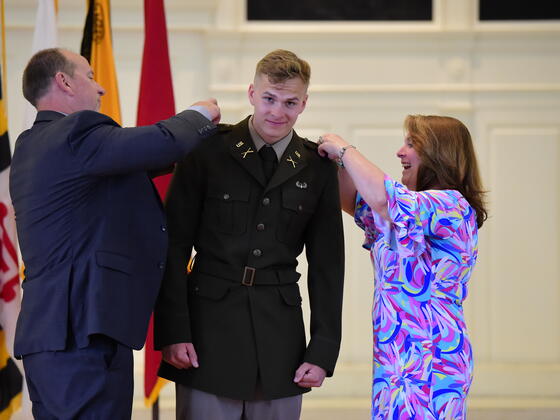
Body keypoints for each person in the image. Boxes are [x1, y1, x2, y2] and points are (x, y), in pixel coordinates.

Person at [10, 47, 221, 419]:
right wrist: (202, 114)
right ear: (63, 81)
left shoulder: (32, 145)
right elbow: (162, 141)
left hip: (54, 336)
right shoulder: (75, 133)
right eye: (90, 76)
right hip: (82, 335)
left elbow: (140, 162)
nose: (101, 88)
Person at [154, 49, 345, 420]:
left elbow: (327, 268)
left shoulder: (317, 166)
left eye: (290, 102)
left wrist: (322, 350)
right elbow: (173, 246)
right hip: (206, 331)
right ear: (251, 94)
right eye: (269, 99)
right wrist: (173, 331)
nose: (278, 111)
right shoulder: (208, 150)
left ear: (304, 103)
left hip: (281, 339)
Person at [317, 115, 487, 419]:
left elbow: (382, 197)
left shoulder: (451, 206)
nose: (400, 152)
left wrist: (344, 149)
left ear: (438, 155)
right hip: (397, 360)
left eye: (411, 144)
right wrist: (324, 158)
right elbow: (354, 198)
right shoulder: (407, 214)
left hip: (433, 359)